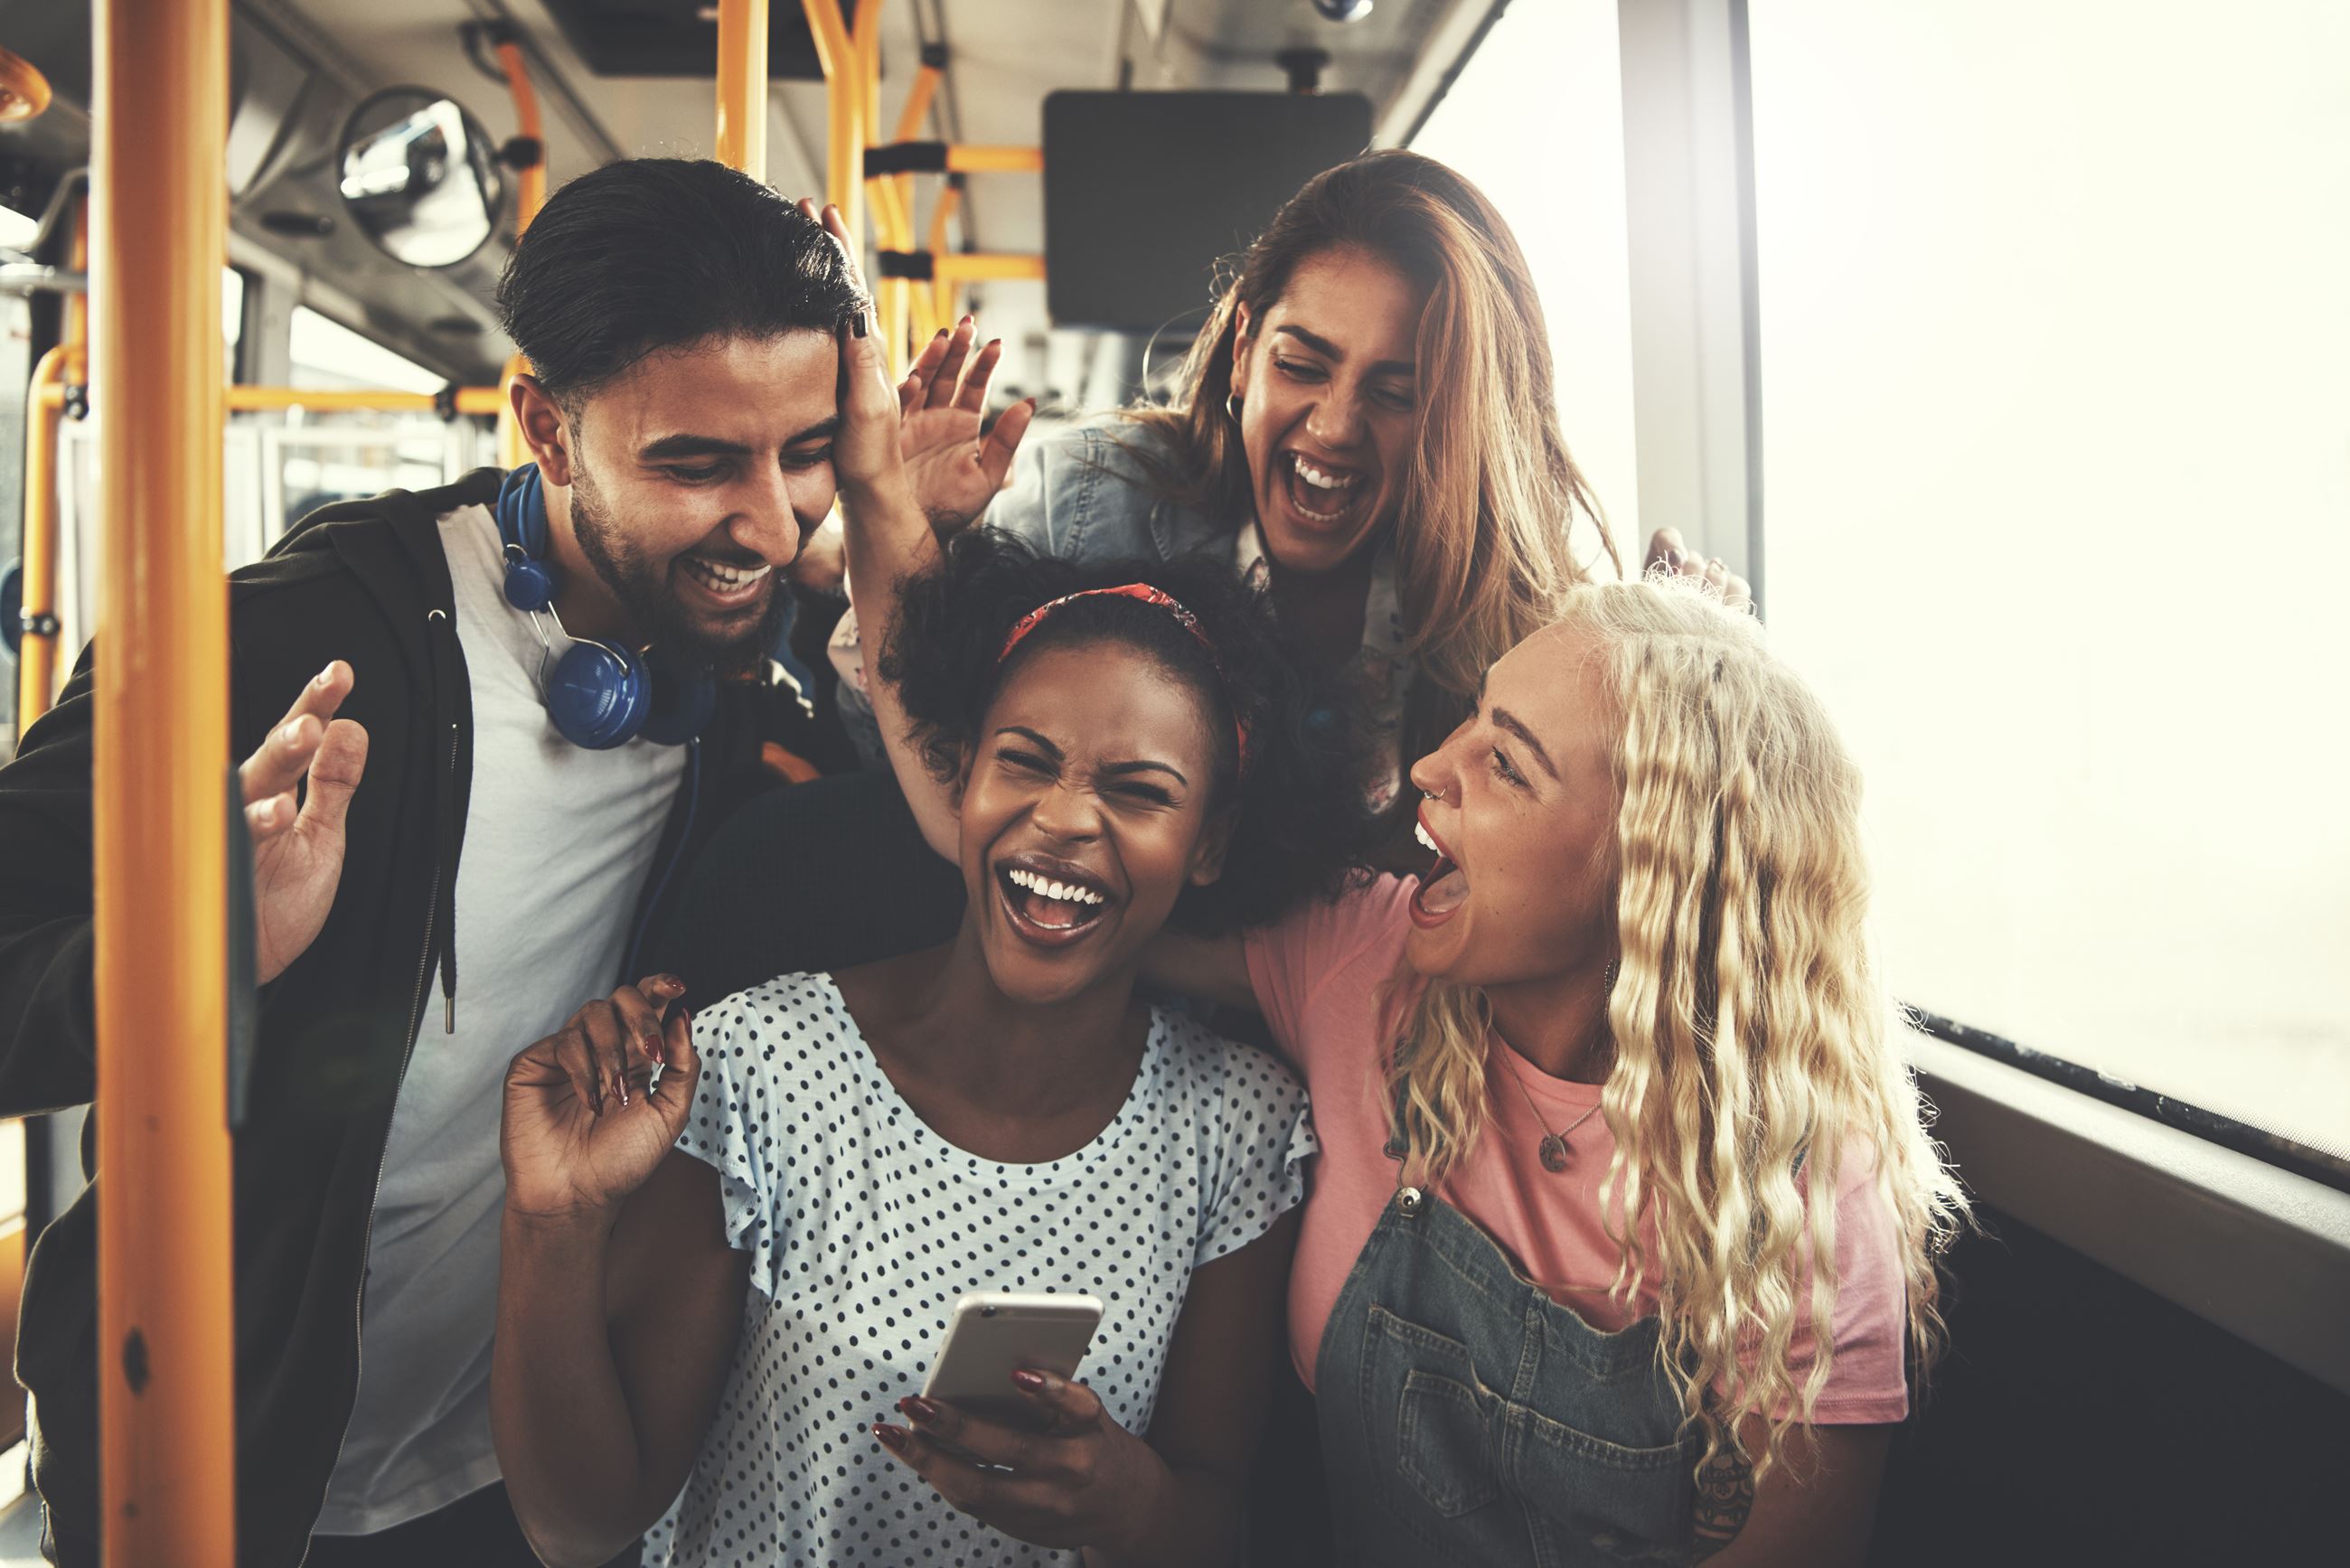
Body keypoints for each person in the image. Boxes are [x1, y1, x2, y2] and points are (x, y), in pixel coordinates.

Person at [0, 158, 866, 1565]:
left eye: (806, 450)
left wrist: (880, 486)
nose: (769, 522)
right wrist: (204, 938)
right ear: (545, 422)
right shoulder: (282, 650)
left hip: (503, 1471)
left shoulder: (733, 691)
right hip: (217, 1465)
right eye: (696, 463)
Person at [490, 524, 1370, 1566]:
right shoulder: (760, 1065)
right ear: (961, 780)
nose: (1062, 818)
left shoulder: (1239, 1127)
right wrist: (554, 1221)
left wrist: (1133, 1508)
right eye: (1024, 762)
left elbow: (1215, 1515)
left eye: (1137, 792)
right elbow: (580, 1526)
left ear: (1210, 842)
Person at [1142, 579, 1970, 1564]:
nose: (1428, 768)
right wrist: (901, 540)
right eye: (1472, 721)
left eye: (1505, 765)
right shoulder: (1364, 967)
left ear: (1647, 878)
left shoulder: (1795, 1191)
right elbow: (1084, 899)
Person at [825, 147, 1748, 822]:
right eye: (1302, 363)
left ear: (1457, 426)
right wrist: (906, 542)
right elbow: (902, 755)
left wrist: (1670, 685)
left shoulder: (1506, 607)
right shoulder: (1084, 499)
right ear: (1239, 356)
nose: (1334, 426)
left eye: (1396, 393)